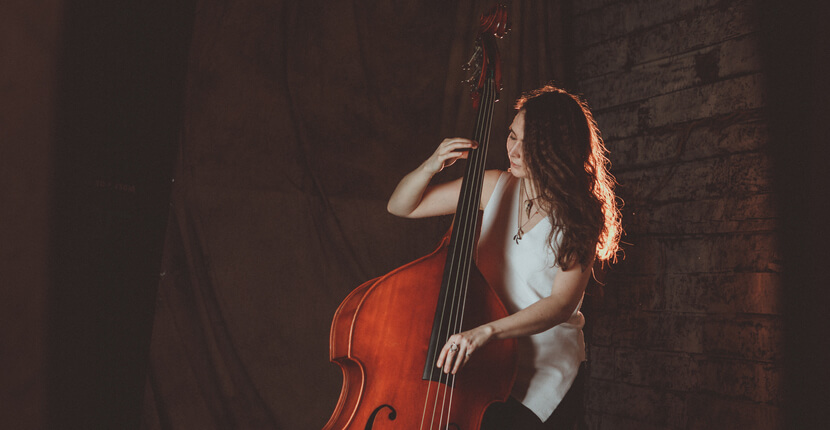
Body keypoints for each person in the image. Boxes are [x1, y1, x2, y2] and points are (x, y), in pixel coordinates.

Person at [386, 84, 622, 429]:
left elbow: (561, 304)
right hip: (490, 357)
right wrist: (431, 166)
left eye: (529, 144)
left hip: (545, 366)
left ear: (556, 150)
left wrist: (485, 332)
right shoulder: (493, 185)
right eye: (512, 136)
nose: (514, 150)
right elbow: (402, 206)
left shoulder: (580, 214)